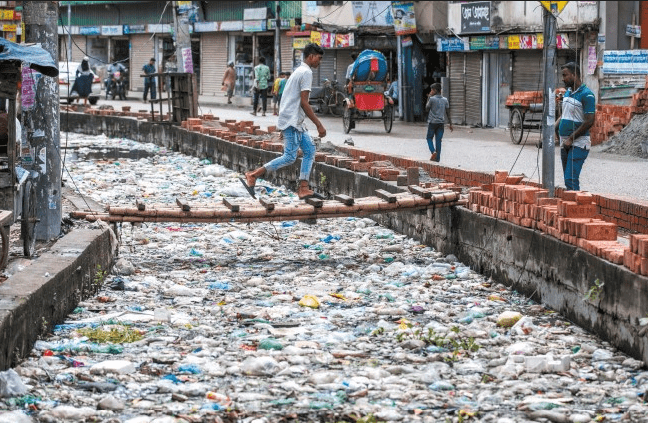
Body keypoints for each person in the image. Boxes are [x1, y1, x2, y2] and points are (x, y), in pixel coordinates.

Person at [242, 43, 326, 199]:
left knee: (309, 150)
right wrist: (319, 125)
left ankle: (303, 187)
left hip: (294, 122)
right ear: (311, 56)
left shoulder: (298, 71)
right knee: (289, 157)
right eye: (319, 58)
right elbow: (304, 102)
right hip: (292, 122)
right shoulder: (306, 72)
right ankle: (253, 175)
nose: (319, 62)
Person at [555, 62, 595, 191]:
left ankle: (575, 207)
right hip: (564, 142)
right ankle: (572, 206)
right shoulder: (568, 93)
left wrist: (571, 138)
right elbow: (564, 115)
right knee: (568, 180)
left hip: (578, 142)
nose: (563, 78)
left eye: (565, 75)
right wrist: (554, 129)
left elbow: (589, 121)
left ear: (574, 75)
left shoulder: (587, 95)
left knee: (570, 178)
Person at [425, 83, 453, 162]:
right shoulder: (445, 100)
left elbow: (426, 109)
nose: (431, 91)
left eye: (431, 90)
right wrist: (450, 124)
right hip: (441, 123)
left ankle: (433, 152)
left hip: (432, 123)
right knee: (438, 140)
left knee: (429, 138)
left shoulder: (431, 99)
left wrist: (428, 98)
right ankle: (437, 159)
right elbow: (448, 112)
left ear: (434, 90)